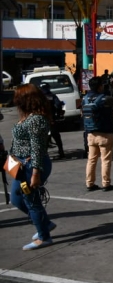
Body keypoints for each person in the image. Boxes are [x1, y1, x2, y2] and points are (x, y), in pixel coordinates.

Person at [8, 84, 56, 251]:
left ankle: (44, 237)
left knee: (31, 201)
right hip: (21, 165)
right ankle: (45, 224)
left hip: (31, 165)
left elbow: (37, 147)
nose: (15, 100)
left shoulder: (36, 119)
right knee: (15, 198)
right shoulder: (29, 116)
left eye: (18, 97)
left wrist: (36, 173)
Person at [83, 77, 113, 191]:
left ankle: (89, 183)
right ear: (99, 86)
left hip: (91, 134)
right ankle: (106, 184)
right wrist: (112, 88)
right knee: (105, 160)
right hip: (104, 133)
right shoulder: (104, 99)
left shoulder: (85, 98)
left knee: (91, 160)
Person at [39, 83, 65, 159]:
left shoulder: (38, 98)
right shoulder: (52, 96)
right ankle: (61, 152)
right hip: (51, 120)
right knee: (56, 137)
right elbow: (58, 105)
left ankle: (44, 155)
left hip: (40, 121)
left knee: (44, 138)